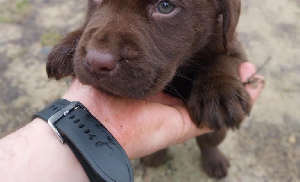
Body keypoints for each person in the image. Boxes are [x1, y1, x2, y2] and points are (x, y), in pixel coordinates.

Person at [0, 62, 264, 182]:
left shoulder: (218, 29)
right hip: (149, 95)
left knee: (213, 120)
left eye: (165, 4)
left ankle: (208, 148)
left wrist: (221, 73)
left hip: (197, 86)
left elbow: (229, 51)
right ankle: (157, 147)